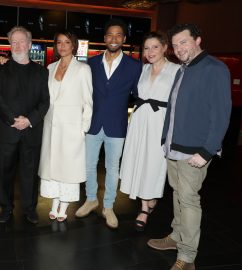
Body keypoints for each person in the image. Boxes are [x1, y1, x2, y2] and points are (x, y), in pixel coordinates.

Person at [147, 24, 231, 270]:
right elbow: (174, 108)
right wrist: (166, 139)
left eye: (184, 42)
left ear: (197, 40)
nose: (179, 48)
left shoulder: (215, 68)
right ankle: (176, 237)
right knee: (178, 196)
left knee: (189, 200)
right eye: (175, 45)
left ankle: (187, 256)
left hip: (194, 151)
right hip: (175, 146)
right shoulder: (184, 69)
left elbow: (221, 114)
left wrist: (206, 151)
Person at [75, 19, 142, 229]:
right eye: (110, 35)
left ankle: (109, 206)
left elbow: (141, 94)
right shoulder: (91, 63)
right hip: (93, 124)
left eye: (118, 35)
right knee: (88, 165)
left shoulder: (135, 66)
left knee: (113, 168)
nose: (114, 39)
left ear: (123, 39)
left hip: (117, 125)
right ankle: (91, 199)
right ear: (104, 38)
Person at [119, 31, 180, 231]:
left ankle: (150, 197)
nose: (150, 51)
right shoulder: (143, 69)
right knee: (138, 160)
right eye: (146, 48)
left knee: (154, 163)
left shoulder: (177, 70)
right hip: (139, 120)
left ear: (165, 48)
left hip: (160, 122)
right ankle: (144, 207)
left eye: (155, 47)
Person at [0, 26, 49, 224]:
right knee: (4, 173)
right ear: (9, 44)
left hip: (31, 131)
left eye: (21, 41)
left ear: (30, 44)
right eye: (13, 41)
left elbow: (45, 102)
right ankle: (6, 208)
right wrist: (13, 120)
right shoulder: (0, 68)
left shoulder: (42, 72)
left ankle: (29, 208)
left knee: (30, 173)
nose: (17, 45)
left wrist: (29, 120)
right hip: (7, 130)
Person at [38, 30, 93, 222]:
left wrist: (83, 128)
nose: (62, 46)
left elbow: (88, 101)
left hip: (72, 127)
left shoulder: (83, 69)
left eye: (67, 42)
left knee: (68, 167)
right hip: (51, 125)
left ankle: (65, 203)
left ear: (74, 45)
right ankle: (55, 201)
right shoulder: (50, 68)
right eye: (59, 42)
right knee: (52, 165)